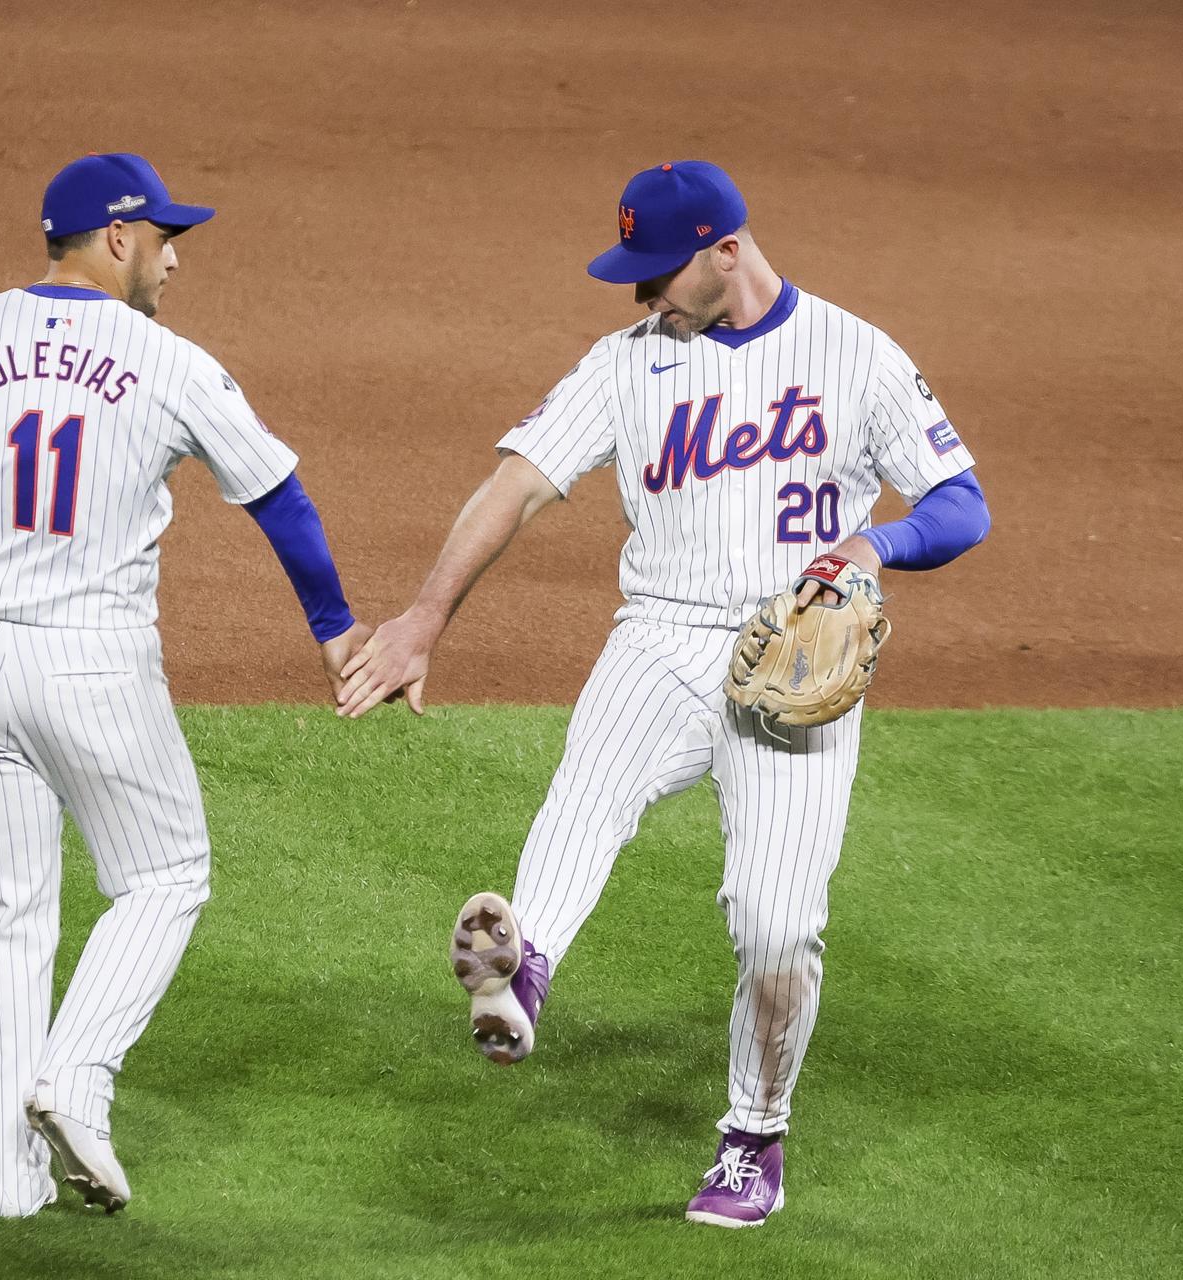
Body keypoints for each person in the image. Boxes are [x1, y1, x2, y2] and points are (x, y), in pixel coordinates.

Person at [336, 160, 990, 1228]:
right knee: (586, 794)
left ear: (724, 251)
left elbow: (963, 503)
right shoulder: (622, 365)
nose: (641, 300)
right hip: (661, 634)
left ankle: (753, 1136)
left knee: (778, 924)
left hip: (795, 651)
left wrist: (881, 537)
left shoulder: (854, 354)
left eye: (656, 277)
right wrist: (422, 617)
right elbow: (516, 486)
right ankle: (519, 963)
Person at [0, 153, 369, 1217]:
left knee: (10, 910)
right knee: (164, 874)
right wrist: (333, 629)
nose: (174, 256)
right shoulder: (169, 361)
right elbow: (280, 498)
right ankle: (77, 1075)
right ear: (116, 237)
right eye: (164, 235)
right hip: (92, 661)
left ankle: (9, 1186)